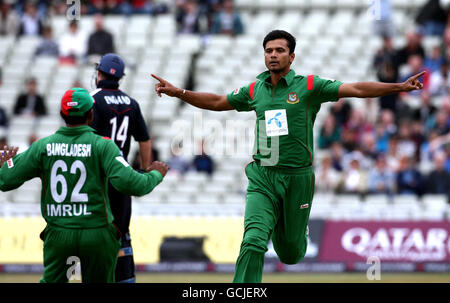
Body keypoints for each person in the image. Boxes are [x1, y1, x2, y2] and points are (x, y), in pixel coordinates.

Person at [151, 30, 425, 283]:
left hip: (298, 178)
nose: (273, 54)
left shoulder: (308, 86)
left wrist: (398, 87)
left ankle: (298, 233)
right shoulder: (254, 89)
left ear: (291, 56)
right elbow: (217, 102)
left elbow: (356, 89)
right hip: (263, 175)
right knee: (253, 240)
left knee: (290, 255)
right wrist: (180, 92)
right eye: (268, 50)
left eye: (280, 50)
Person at [0, 87, 169, 283]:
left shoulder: (43, 146)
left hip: (59, 233)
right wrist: (157, 173)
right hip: (96, 232)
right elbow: (134, 185)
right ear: (91, 114)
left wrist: (6, 165)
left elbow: (5, 181)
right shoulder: (103, 145)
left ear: (62, 114)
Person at [90, 53, 152, 283]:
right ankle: (125, 278)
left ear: (99, 73)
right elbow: (144, 141)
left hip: (98, 179)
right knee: (122, 234)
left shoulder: (92, 100)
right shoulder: (131, 102)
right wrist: (144, 171)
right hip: (122, 177)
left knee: (96, 232)